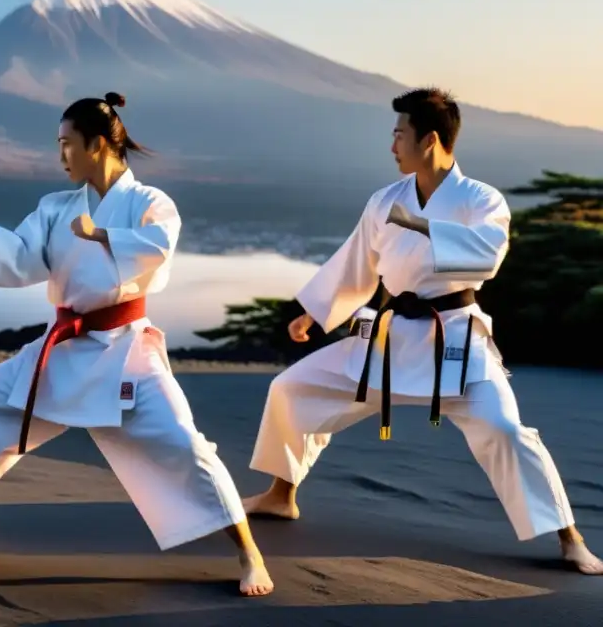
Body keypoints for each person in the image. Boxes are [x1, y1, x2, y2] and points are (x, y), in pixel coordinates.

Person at [0, 92, 273, 597]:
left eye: (66, 144)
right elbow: (26, 258)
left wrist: (103, 235)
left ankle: (248, 552)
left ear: (97, 145)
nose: (60, 156)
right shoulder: (57, 207)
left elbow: (160, 248)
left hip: (125, 352)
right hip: (62, 348)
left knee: (185, 445)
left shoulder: (149, 203)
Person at [242, 87, 603, 575]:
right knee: (292, 388)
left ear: (429, 139)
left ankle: (569, 536)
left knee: (504, 430)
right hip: (390, 339)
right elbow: (357, 264)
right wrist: (315, 310)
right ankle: (281, 494)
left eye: (399, 134)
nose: (392, 146)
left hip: (454, 339)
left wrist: (423, 227)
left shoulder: (481, 200)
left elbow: (488, 257)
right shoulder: (385, 201)